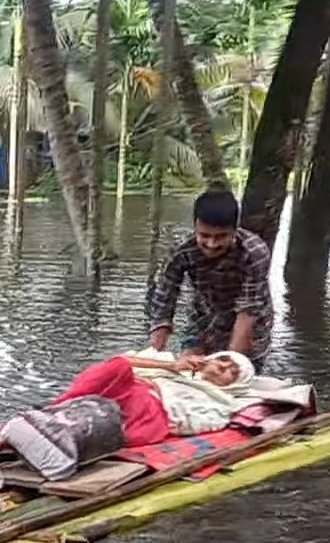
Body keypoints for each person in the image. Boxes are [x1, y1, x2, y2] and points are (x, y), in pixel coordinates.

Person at [146, 187, 273, 369]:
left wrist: (230, 363)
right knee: (186, 370)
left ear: (234, 230)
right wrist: (154, 355)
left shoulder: (254, 253)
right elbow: (165, 298)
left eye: (221, 236)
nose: (212, 244)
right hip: (204, 318)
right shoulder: (182, 250)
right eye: (204, 236)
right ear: (195, 227)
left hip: (250, 325)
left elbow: (248, 311)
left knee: (233, 376)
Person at [51, 350, 256, 446]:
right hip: (126, 391)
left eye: (232, 371)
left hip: (149, 410)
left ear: (235, 385)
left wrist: (156, 391)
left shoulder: (220, 402)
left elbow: (188, 422)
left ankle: (65, 424)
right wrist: (169, 367)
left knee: (128, 421)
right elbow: (120, 362)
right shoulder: (167, 360)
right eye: (223, 359)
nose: (222, 366)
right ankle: (55, 409)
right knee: (116, 368)